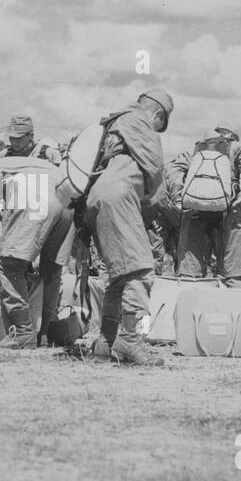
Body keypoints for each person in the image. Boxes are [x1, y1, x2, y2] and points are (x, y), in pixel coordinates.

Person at [74, 87, 173, 366]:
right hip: (119, 195)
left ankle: (106, 343)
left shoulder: (114, 121)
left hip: (98, 198)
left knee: (120, 276)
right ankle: (132, 341)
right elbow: (155, 171)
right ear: (157, 114)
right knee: (141, 272)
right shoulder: (140, 121)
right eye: (160, 125)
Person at [0, 148, 71, 348]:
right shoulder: (39, 165)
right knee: (51, 270)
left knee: (9, 265)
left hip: (36, 194)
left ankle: (23, 332)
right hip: (66, 197)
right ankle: (45, 333)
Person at [168, 126, 241, 284]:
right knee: (235, 271)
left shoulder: (195, 151)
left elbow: (172, 170)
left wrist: (178, 198)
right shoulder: (234, 147)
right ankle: (235, 304)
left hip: (194, 213)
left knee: (190, 273)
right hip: (229, 212)